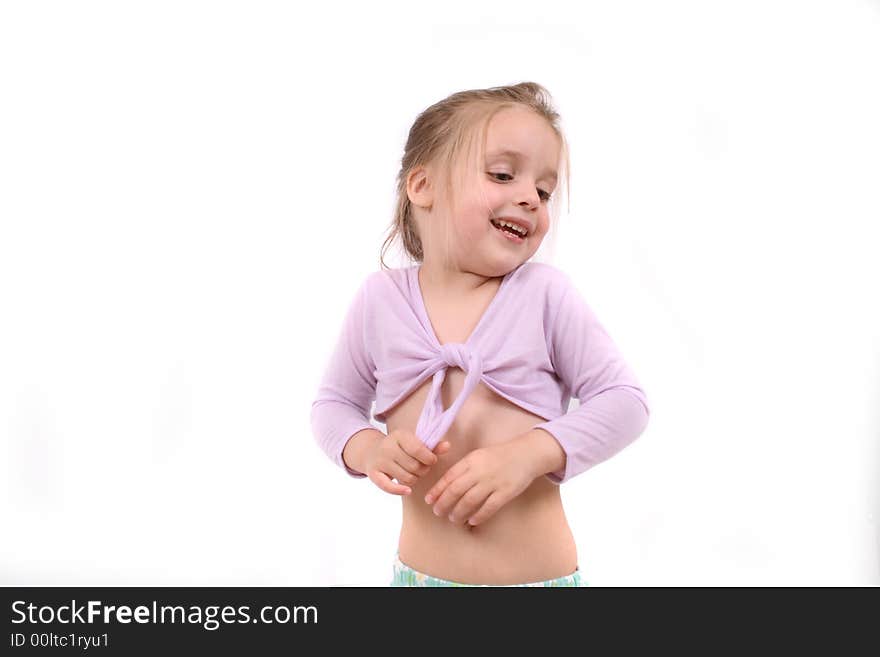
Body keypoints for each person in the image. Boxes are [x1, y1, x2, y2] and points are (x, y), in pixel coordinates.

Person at [311, 81, 650, 587]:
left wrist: (528, 455)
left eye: (543, 191)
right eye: (502, 174)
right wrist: (367, 449)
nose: (530, 200)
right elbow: (333, 403)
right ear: (422, 186)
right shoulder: (379, 302)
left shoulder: (544, 296)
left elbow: (626, 402)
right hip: (418, 580)